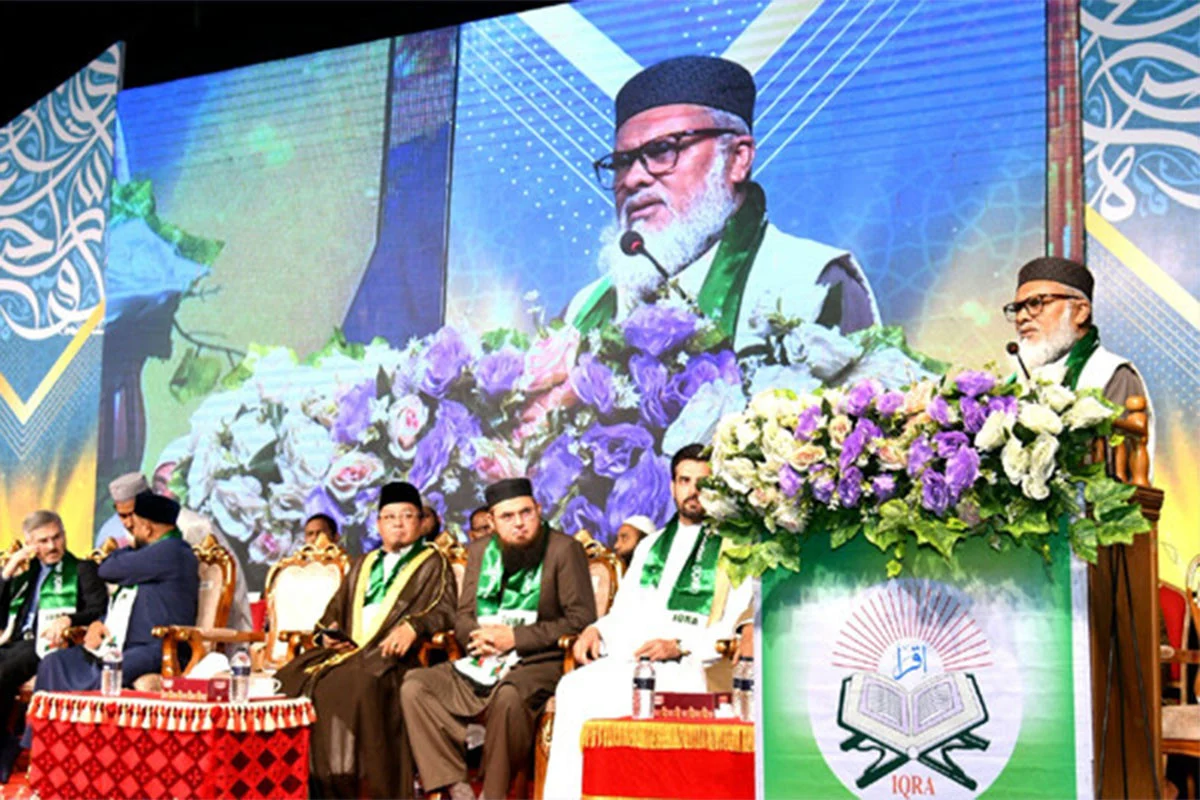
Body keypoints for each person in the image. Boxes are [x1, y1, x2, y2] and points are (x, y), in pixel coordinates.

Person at [566, 55, 878, 350]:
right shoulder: (579, 315)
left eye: (662, 150)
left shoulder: (811, 283)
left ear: (737, 158)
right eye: (621, 162)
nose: (633, 178)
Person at [542, 444, 755, 798]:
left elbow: (735, 625)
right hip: (639, 659)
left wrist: (679, 646)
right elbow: (624, 612)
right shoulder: (650, 546)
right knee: (573, 687)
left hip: (694, 665)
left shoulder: (736, 547)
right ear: (672, 486)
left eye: (703, 483)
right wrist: (597, 629)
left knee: (613, 693)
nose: (693, 491)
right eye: (684, 481)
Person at [402, 478, 596, 800]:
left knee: (508, 697)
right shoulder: (480, 551)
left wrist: (515, 638)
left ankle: (492, 794)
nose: (519, 523)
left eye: (526, 513)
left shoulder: (564, 549)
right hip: (484, 658)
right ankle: (456, 784)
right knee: (415, 686)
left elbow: (580, 619)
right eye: (507, 516)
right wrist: (478, 637)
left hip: (538, 661)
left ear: (538, 509)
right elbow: (464, 615)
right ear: (491, 521)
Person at [276, 482, 457, 799]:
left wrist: (414, 626)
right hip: (349, 653)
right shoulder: (363, 563)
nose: (398, 524)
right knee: (287, 680)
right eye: (390, 517)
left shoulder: (433, 561)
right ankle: (299, 783)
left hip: (394, 658)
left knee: (353, 685)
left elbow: (445, 610)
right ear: (378, 524)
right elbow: (333, 612)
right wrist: (328, 636)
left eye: (407, 516)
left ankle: (359, 786)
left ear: (421, 522)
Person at [22, 492, 197, 745]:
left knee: (107, 673)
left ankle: (81, 747)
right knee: (56, 662)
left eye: (135, 525)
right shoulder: (151, 553)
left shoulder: (172, 551)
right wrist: (98, 623)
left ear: (147, 528)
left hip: (157, 647)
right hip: (122, 644)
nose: (130, 530)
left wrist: (125, 551)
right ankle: (42, 745)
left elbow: (108, 568)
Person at [1008, 256, 1155, 466]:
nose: (1021, 317)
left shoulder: (1112, 374)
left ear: (1080, 311)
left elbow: (1115, 472)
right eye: (1017, 308)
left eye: (1035, 303)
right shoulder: (1015, 382)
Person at [0, 511, 106, 781]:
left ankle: (5, 748)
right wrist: (7, 573)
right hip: (15, 643)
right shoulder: (27, 573)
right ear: (30, 544)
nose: (52, 546)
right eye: (43, 541)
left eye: (57, 537)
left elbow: (97, 608)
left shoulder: (82, 569)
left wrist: (70, 619)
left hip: (48, 645)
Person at [102, 472, 253, 630]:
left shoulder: (191, 526)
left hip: (216, 616)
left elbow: (214, 583)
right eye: (122, 516)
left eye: (131, 514)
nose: (127, 523)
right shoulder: (134, 530)